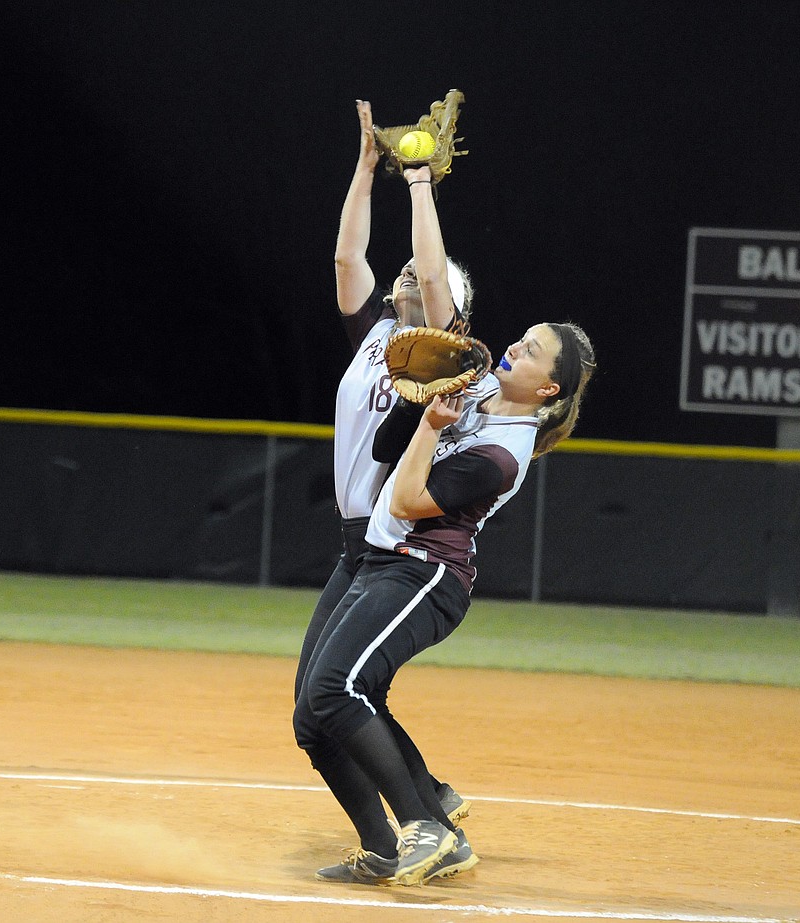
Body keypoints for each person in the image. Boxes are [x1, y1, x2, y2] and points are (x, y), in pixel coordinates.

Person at [294, 319, 596, 886]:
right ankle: (398, 843)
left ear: (547, 389)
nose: (514, 347)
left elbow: (407, 499)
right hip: (379, 563)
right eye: (522, 338)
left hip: (424, 576)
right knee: (314, 719)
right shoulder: (478, 388)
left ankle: (423, 824)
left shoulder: (503, 454)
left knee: (336, 690)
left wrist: (433, 423)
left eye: (531, 351)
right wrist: (425, 396)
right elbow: (386, 447)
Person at [292, 97, 473, 874]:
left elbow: (431, 271)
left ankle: (429, 814)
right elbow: (343, 262)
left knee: (339, 689)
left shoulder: (439, 352)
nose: (404, 278)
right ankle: (388, 836)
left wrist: (418, 182)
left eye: (422, 282)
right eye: (396, 275)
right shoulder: (374, 335)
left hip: (397, 541)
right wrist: (365, 172)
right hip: (352, 546)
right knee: (312, 711)